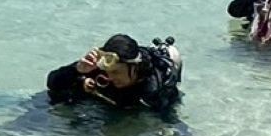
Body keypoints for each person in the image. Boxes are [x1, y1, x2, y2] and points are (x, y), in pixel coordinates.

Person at [45, 34, 182, 116]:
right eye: (108, 72)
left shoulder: (154, 86)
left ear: (134, 68)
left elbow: (167, 117)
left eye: (116, 72)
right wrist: (78, 70)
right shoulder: (103, 66)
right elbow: (52, 83)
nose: (109, 77)